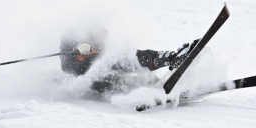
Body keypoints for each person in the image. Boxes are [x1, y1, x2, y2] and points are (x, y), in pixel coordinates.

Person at [59, 25, 199, 95]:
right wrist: (77, 54)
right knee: (124, 61)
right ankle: (171, 60)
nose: (103, 44)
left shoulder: (102, 52)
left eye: (104, 40)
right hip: (94, 81)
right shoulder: (76, 42)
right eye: (101, 40)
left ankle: (167, 71)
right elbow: (67, 63)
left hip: (110, 78)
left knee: (133, 62)